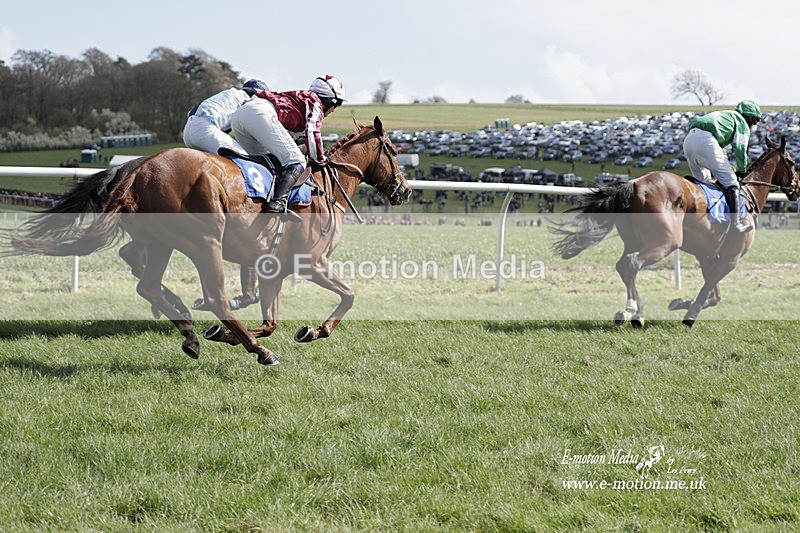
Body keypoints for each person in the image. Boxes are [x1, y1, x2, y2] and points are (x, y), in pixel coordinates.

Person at [231, 74, 346, 219]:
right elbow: (313, 132)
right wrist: (321, 159)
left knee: (267, 163)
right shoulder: (316, 102)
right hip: (259, 113)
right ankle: (277, 203)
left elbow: (295, 139)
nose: (334, 109)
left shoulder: (301, 99)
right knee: (297, 161)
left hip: (240, 116)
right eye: (338, 103)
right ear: (330, 100)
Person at [683, 100, 763, 233]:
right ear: (748, 116)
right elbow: (740, 149)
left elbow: (719, 149)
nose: (753, 125)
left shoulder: (726, 116)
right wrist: (742, 170)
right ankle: (736, 223)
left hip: (689, 141)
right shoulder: (741, 121)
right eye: (754, 121)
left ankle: (702, 224)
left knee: (704, 185)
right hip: (706, 141)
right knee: (732, 183)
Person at [183, 78, 270, 155]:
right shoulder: (249, 100)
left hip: (188, 131)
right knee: (245, 159)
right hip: (204, 129)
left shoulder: (232, 94)